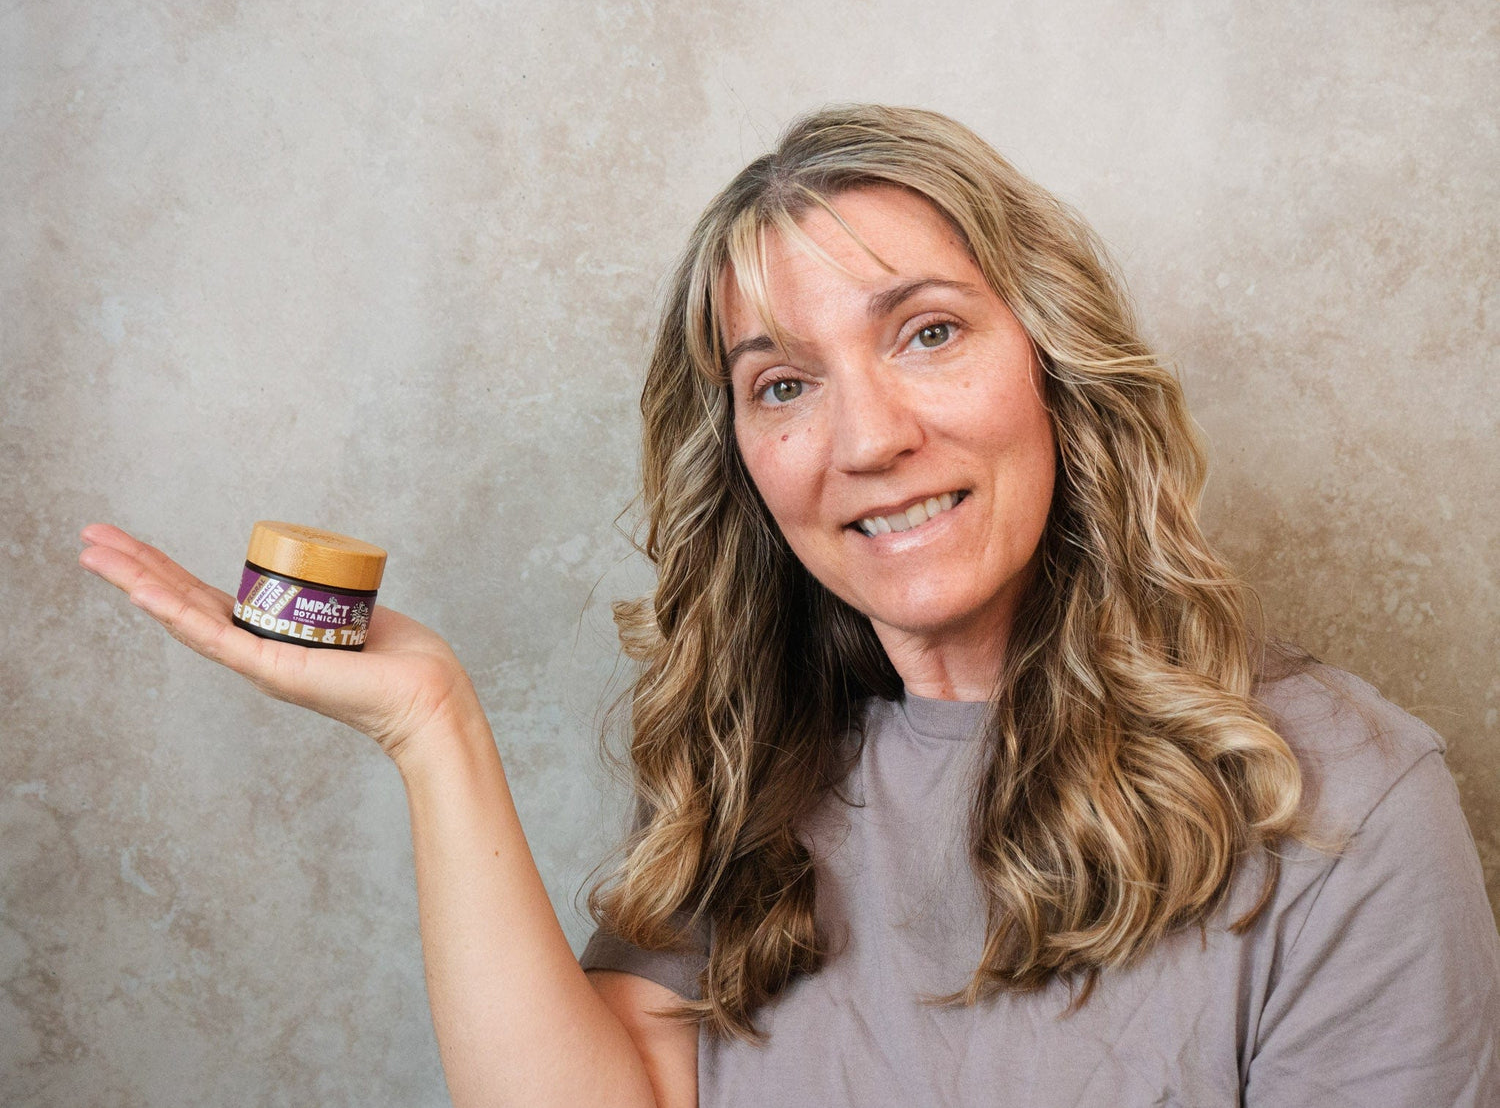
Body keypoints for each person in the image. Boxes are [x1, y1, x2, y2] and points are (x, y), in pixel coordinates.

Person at [79, 105, 1499, 1107]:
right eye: (784, 383)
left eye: (927, 332)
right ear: (749, 464)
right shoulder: (758, 779)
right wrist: (430, 727)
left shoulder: (1341, 803)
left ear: (1056, 368)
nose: (865, 437)